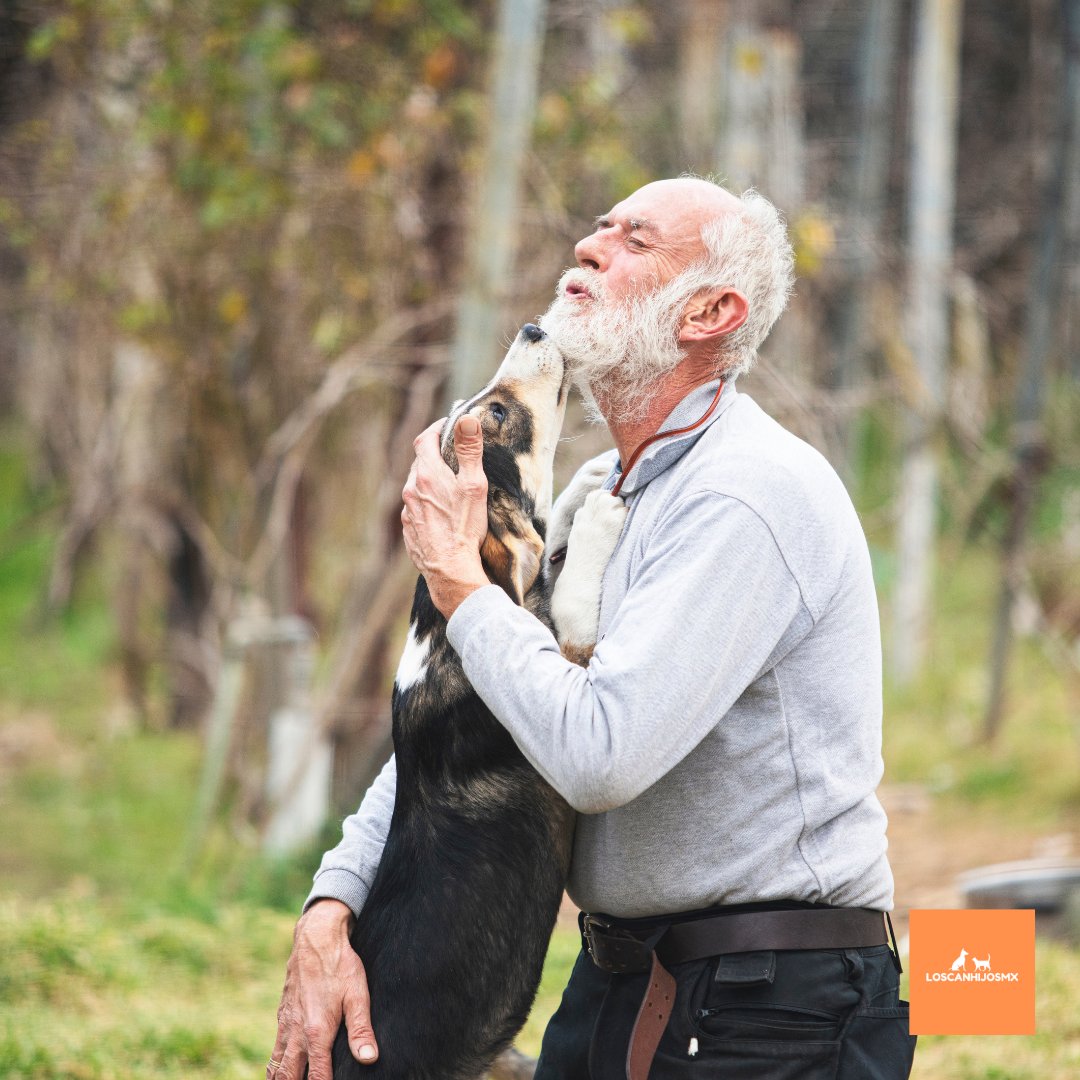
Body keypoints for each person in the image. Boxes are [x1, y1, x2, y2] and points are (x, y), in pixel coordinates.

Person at [269, 177, 915, 1080]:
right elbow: (472, 727)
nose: (589, 246)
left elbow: (599, 755)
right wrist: (332, 904)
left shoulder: (749, 494)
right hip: (621, 980)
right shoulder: (603, 490)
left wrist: (465, 588)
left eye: (636, 242)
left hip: (776, 1004)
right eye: (598, 228)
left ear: (710, 312)